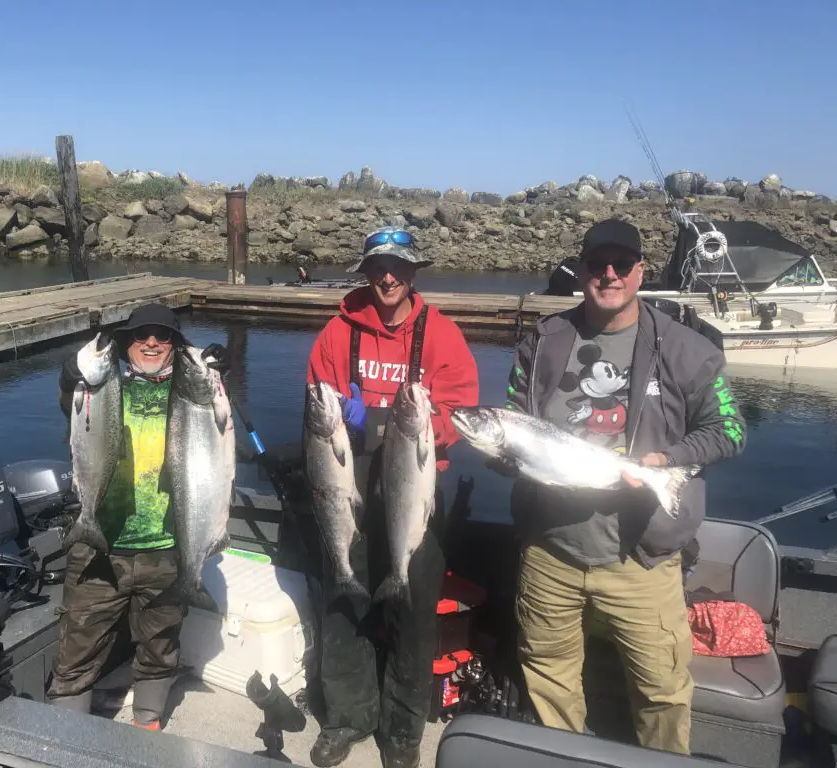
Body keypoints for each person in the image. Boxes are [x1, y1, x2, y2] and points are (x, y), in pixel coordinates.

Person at [495, 218, 747, 754]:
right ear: (581, 270)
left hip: (643, 559)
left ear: (640, 270)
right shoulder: (542, 342)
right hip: (550, 552)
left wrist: (671, 459)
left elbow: (729, 430)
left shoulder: (686, 348)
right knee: (547, 674)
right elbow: (515, 416)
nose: (608, 275)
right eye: (596, 264)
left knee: (661, 693)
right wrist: (501, 452)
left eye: (621, 264)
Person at [306, 226, 480, 768]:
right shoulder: (336, 333)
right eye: (379, 266)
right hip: (350, 489)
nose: (388, 276)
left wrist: (384, 420)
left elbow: (461, 415)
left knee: (413, 619)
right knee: (344, 607)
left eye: (398, 267)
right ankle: (347, 717)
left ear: (412, 274)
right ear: (366, 271)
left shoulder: (444, 335)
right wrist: (348, 421)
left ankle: (402, 732)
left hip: (415, 498)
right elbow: (318, 410)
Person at [46, 302, 226, 731]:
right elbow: (68, 395)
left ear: (175, 346)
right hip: (99, 544)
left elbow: (217, 430)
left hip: (167, 549)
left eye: (162, 337)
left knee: (160, 643)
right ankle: (66, 740)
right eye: (141, 335)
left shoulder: (190, 393)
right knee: (78, 645)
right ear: (127, 342)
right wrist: (71, 373)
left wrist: (212, 375)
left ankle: (148, 723)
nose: (150, 343)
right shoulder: (103, 384)